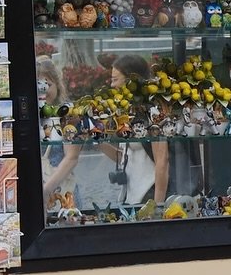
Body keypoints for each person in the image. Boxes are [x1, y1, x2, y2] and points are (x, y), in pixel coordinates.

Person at [41, 53, 168, 209]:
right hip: (130, 197)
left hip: (149, 195)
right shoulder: (126, 111)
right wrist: (97, 140)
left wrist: (158, 208)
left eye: (115, 79)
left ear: (132, 80)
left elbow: (162, 162)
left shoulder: (152, 112)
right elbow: (123, 158)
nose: (112, 85)